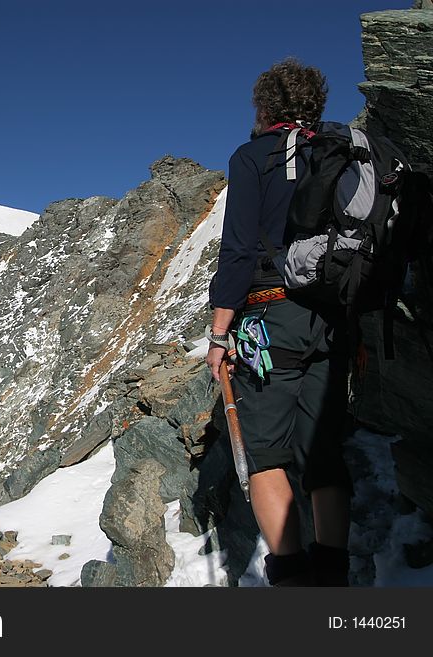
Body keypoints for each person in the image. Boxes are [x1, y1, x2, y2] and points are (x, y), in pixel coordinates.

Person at [205, 58, 354, 587]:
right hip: (336, 321)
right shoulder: (343, 156)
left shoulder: (254, 158)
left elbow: (240, 249)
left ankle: (292, 583)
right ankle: (335, 581)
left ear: (265, 106)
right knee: (324, 453)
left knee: (267, 456)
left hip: (270, 319)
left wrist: (220, 334)